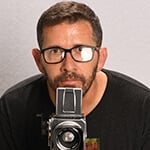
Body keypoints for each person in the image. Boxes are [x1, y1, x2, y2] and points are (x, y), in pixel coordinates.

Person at [0, 1, 150, 150]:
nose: (68, 66)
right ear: (39, 60)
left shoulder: (141, 108)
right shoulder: (12, 108)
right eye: (55, 51)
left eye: (81, 50)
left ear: (101, 58)